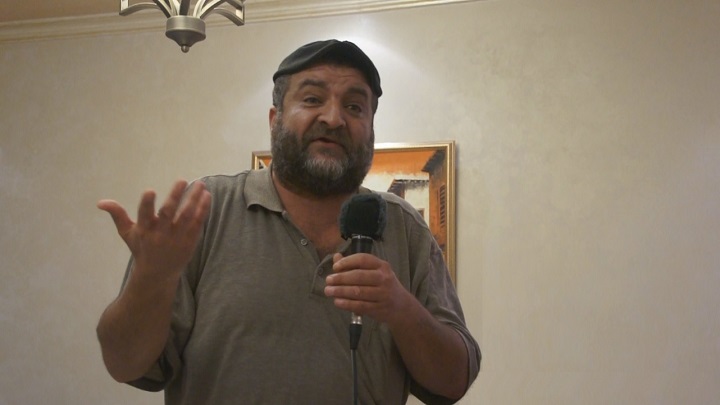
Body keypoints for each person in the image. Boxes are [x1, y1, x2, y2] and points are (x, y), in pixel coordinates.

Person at [96, 39, 480, 405]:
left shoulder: (405, 229)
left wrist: (401, 309)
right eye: (312, 99)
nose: (334, 118)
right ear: (274, 119)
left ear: (371, 130)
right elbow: (124, 364)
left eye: (354, 107)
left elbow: (454, 381)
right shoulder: (204, 209)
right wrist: (151, 279)